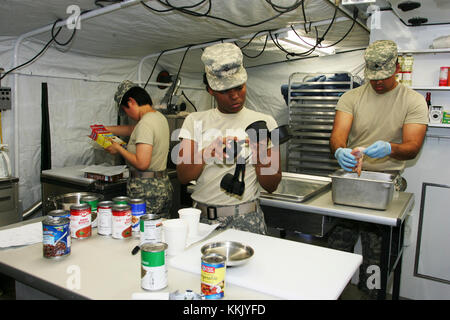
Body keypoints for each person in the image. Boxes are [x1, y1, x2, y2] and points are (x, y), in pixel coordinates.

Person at [328, 40, 428, 299]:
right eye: (373, 77)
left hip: (387, 186)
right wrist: (340, 150)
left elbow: (413, 146)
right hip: (352, 183)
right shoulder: (351, 97)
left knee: (376, 263)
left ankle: (371, 295)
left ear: (396, 67)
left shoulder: (413, 101)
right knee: (335, 252)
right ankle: (331, 290)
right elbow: (338, 136)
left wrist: (390, 148)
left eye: (383, 76)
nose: (378, 83)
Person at [176, 42, 281, 235]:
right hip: (202, 221)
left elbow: (272, 185)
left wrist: (259, 153)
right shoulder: (195, 121)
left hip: (246, 219)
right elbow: (183, 177)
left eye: (239, 88)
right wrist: (207, 152)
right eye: (225, 91)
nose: (235, 96)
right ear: (210, 90)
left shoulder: (265, 122)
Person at [104, 80, 173, 218]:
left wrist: (118, 148)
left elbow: (142, 163)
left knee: (145, 231)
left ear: (131, 102)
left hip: (146, 190)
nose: (128, 115)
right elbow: (131, 130)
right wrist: (105, 129)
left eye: (125, 110)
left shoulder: (145, 124)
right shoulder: (158, 117)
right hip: (161, 185)